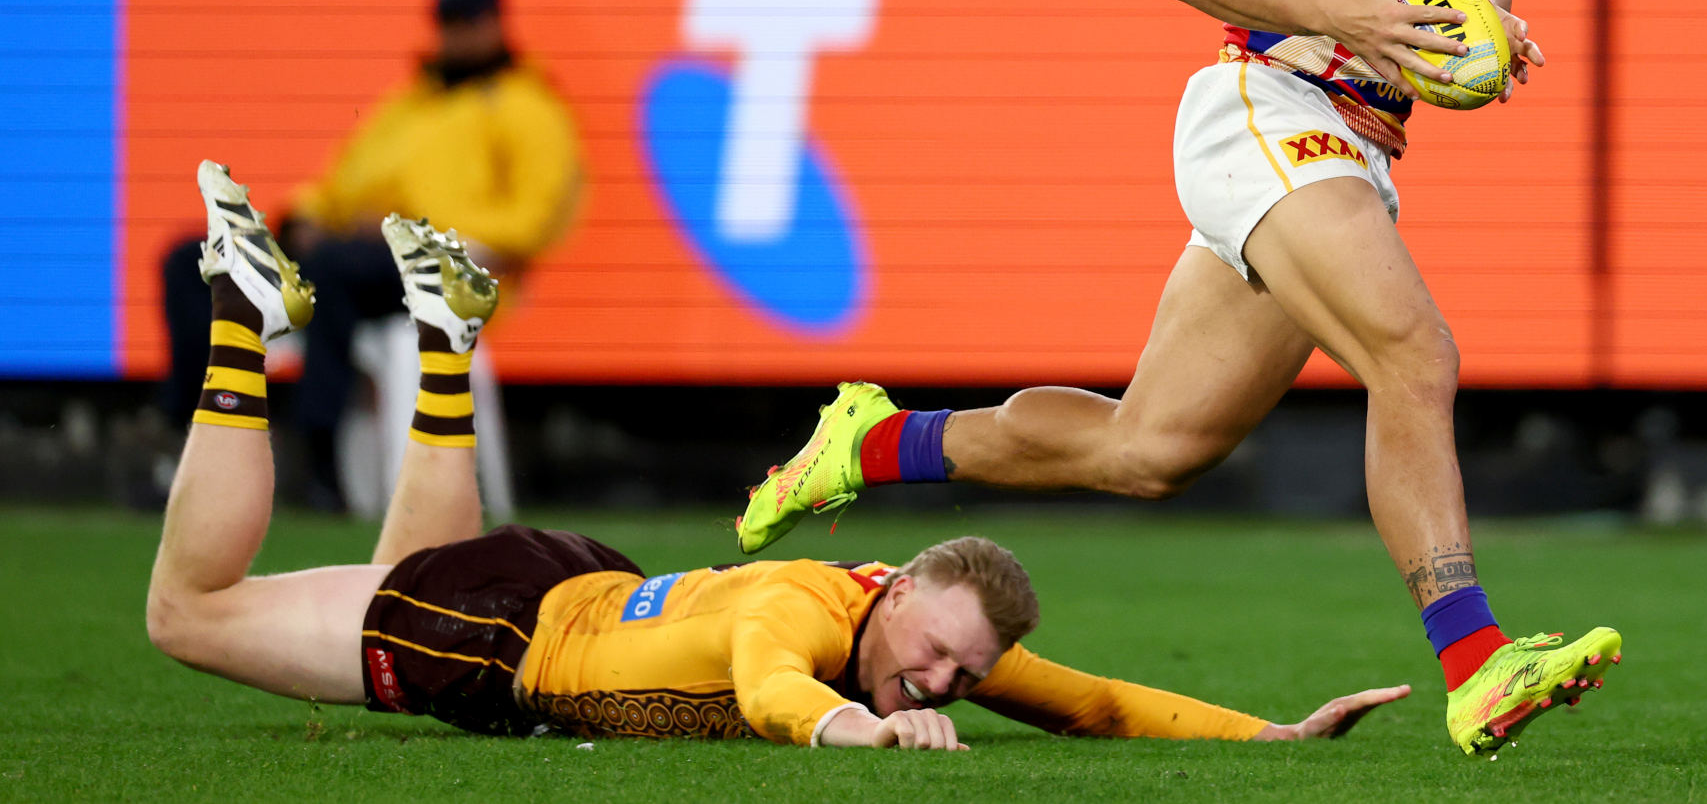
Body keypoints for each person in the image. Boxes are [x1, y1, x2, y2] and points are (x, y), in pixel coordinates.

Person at [735, 0, 1622, 759]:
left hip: (1352, 140)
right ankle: (1477, 664)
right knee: (1413, 353)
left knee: (1146, 449)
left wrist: (1486, 14)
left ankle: (870, 442)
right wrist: (1350, 16)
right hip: (1262, 108)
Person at [146, 167, 1419, 749]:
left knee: (413, 569)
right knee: (186, 614)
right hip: (506, 638)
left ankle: (444, 338)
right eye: (939, 655)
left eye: (963, 675)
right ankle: (242, 319)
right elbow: (767, 686)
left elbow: (1097, 702)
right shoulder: (808, 611)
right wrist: (858, 735)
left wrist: (1274, 732)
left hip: (553, 588)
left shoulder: (912, 634)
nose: (939, 682)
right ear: (896, 585)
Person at [154, 0, 581, 510]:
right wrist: (306, 217)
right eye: (448, 21)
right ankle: (196, 444)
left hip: (448, 270)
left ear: (497, 23)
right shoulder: (411, 104)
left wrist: (413, 232)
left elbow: (534, 220)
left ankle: (322, 463)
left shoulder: (529, 108)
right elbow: (343, 182)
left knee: (335, 269)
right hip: (359, 255)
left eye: (469, 21)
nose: (457, 34)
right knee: (198, 261)